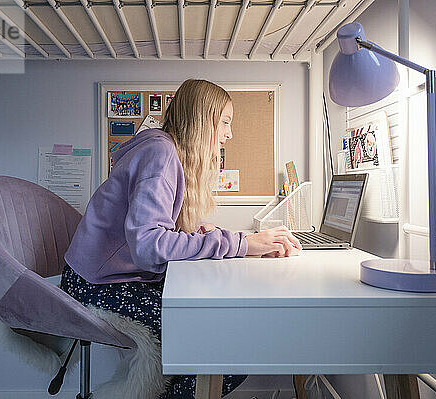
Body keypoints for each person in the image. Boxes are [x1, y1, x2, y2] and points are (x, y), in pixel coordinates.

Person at [61, 79, 301, 398]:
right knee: (229, 343)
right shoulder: (160, 153)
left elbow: (167, 231)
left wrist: (241, 243)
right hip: (94, 286)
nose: (229, 133)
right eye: (225, 121)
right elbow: (150, 245)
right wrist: (244, 244)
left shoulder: (163, 151)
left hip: (106, 278)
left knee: (220, 325)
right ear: (203, 121)